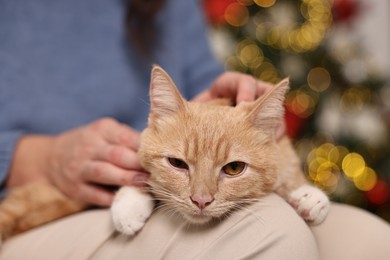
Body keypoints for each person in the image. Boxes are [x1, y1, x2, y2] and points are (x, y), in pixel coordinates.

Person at [1, 0, 389, 259]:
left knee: (371, 241)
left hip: (156, 183)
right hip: (35, 203)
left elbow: (202, 87)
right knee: (275, 234)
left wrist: (223, 106)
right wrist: (33, 157)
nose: (203, 197)